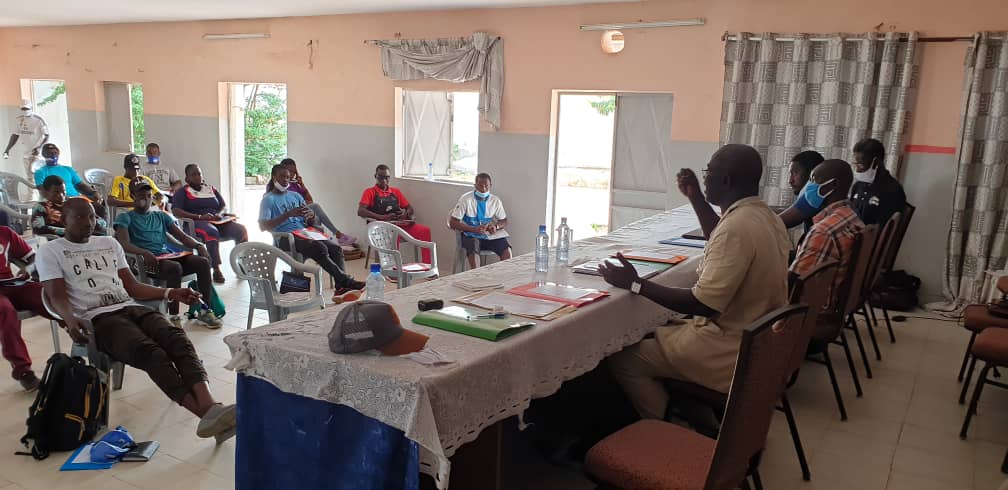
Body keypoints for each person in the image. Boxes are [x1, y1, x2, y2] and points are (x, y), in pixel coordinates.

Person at [598, 144, 791, 420]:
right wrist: (695, 197)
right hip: (757, 342)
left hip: (728, 350)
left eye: (709, 172)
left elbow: (703, 304)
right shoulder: (766, 217)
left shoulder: (736, 228)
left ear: (726, 180)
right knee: (656, 330)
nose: (705, 177)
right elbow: (719, 234)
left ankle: (669, 432)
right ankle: (692, 413)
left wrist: (636, 284)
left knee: (624, 359)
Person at [37, 197, 237, 443]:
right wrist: (69, 319)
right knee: (151, 353)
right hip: (96, 318)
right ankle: (205, 414)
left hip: (128, 306)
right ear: (63, 219)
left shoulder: (109, 243)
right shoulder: (51, 250)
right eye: (79, 217)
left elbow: (131, 286)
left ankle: (210, 407)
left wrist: (170, 293)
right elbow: (55, 295)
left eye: (90, 216)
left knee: (177, 339)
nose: (88, 222)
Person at [114, 179, 221, 328]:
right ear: (133, 196)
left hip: (164, 257)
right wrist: (144, 252)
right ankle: (173, 316)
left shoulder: (160, 216)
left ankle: (205, 310)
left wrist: (198, 244)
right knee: (174, 268)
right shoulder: (125, 217)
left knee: (201, 262)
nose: (145, 199)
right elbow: (124, 244)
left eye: (148, 195)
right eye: (141, 195)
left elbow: (182, 236)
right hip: (143, 262)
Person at [260, 164, 365, 297]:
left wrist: (311, 216)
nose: (285, 180)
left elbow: (308, 221)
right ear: (274, 177)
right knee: (319, 247)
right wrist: (288, 214)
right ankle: (346, 282)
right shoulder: (268, 199)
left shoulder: (295, 196)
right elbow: (263, 226)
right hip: (285, 237)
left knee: (336, 249)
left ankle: (341, 287)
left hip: (304, 232)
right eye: (282, 177)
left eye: (287, 177)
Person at [684, 150, 825, 237]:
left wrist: (744, 216)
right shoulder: (819, 196)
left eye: (795, 173)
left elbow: (776, 222)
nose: (790, 180)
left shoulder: (815, 195)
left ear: (813, 174)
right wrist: (753, 209)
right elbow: (788, 210)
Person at [789, 159, 865, 306]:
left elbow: (793, 283)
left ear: (833, 185)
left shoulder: (824, 231)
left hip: (810, 311)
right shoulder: (851, 215)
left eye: (814, 180)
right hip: (836, 303)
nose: (809, 186)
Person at [171, 164, 248, 284]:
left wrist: (220, 214)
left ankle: (243, 264)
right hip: (196, 223)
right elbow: (176, 211)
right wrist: (200, 217)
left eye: (199, 174)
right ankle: (216, 269)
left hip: (217, 221)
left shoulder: (210, 189)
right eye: (194, 174)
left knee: (241, 230)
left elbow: (223, 206)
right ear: (187, 178)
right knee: (211, 232)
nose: (197, 177)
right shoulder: (182, 192)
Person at [0, 225, 48, 391]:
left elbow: (33, 258)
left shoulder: (5, 232)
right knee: (5, 311)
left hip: (10, 283)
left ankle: (81, 336)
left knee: (47, 294)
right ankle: (23, 371)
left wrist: (27, 269)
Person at [358, 164, 433, 264]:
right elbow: (360, 211)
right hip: (382, 227)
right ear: (375, 176)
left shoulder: (395, 192)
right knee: (394, 235)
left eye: (387, 177)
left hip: (399, 224)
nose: (384, 180)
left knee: (425, 231)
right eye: (381, 177)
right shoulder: (369, 192)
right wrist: (382, 217)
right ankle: (393, 267)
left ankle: (427, 264)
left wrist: (405, 214)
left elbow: (410, 208)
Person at [280, 158, 355, 246]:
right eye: (289, 172)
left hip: (302, 212)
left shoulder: (295, 184)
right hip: (290, 215)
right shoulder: (280, 186)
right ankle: (335, 235)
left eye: (294, 172)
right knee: (315, 208)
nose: (292, 175)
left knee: (317, 218)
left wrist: (302, 185)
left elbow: (310, 200)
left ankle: (324, 243)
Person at [449, 172, 511, 268]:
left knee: (505, 246)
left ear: (490, 186)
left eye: (486, 186)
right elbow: (452, 222)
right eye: (480, 186)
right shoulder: (466, 199)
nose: (483, 189)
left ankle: (505, 275)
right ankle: (477, 276)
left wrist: (495, 226)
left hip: (488, 236)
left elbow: (504, 220)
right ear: (475, 186)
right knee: (473, 246)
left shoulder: (495, 201)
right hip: (470, 235)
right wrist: (473, 229)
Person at [33, 143, 107, 218]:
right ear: (44, 155)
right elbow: (43, 192)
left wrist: (93, 192)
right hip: (61, 200)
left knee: (100, 209)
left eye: (55, 153)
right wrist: (63, 199)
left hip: (77, 198)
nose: (53, 155)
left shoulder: (68, 169)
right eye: (49, 153)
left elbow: (80, 185)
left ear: (58, 153)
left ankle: (98, 228)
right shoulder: (40, 172)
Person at [849, 138, 907, 225]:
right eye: (855, 164)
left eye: (860, 165)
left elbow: (884, 229)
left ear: (875, 162)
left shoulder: (892, 190)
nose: (857, 170)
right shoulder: (859, 185)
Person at [32, 175, 108, 237]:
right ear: (46, 192)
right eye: (56, 192)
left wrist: (92, 226)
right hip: (60, 240)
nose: (61, 195)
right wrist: (70, 231)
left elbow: (99, 220)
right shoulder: (41, 206)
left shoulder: (73, 203)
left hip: (86, 235)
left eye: (63, 191)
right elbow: (38, 228)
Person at [3, 99, 48, 184]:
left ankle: (36, 196)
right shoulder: (19, 120)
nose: (25, 111)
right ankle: (33, 195)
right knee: (29, 176)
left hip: (36, 153)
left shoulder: (38, 120)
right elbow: (15, 135)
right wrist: (7, 149)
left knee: (35, 175)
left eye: (27, 109)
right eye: (23, 109)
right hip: (25, 153)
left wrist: (39, 148)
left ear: (31, 108)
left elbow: (46, 135)